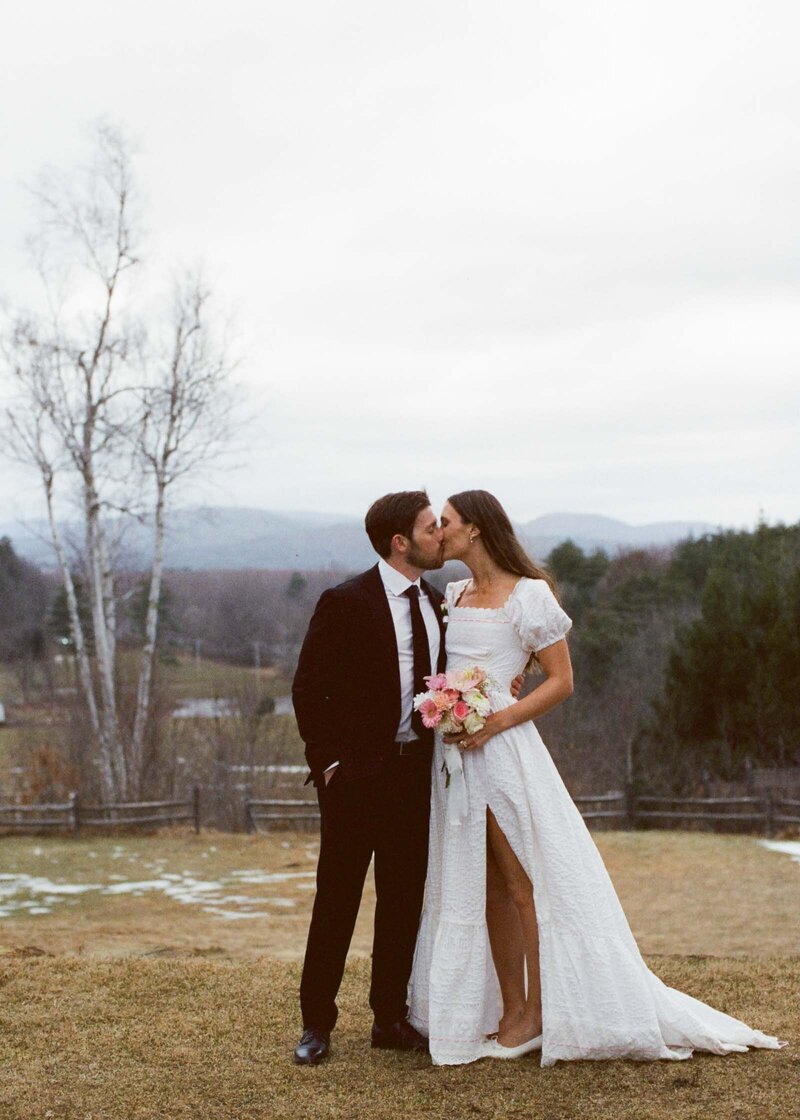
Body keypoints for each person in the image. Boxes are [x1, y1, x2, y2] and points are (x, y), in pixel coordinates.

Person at [408, 489, 786, 1067]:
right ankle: (510, 1011)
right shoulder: (454, 595)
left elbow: (561, 681)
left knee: (519, 882)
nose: (441, 533)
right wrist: (451, 711)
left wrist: (497, 718)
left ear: (477, 530)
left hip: (504, 753)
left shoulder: (528, 595)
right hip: (456, 763)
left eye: (449, 524)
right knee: (482, 887)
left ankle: (537, 1012)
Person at [290, 491, 446, 1065]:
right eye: (432, 528)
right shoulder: (346, 601)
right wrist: (328, 765)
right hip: (354, 779)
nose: (441, 536)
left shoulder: (436, 602)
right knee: (337, 900)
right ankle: (316, 1025)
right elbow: (308, 688)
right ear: (400, 542)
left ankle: (389, 1018)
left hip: (414, 777)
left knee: (403, 899)